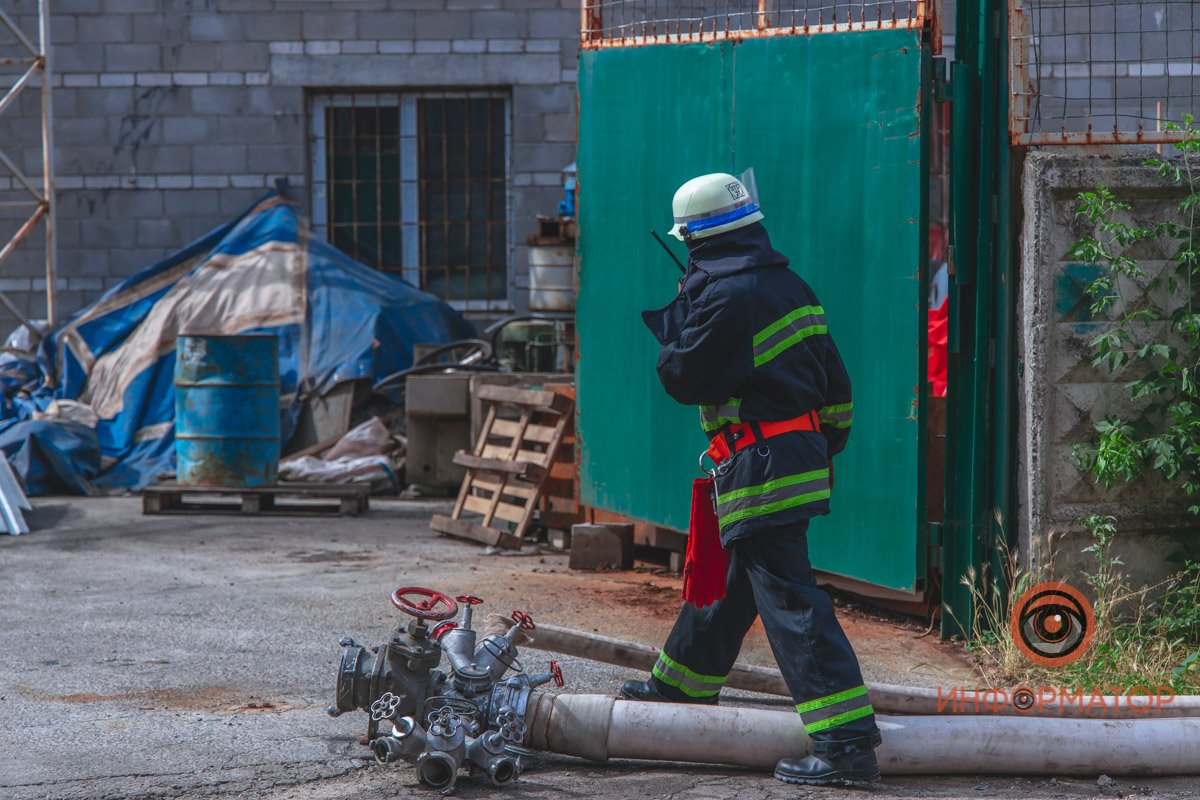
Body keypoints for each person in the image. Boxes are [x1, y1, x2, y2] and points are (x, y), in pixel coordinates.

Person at [621, 172, 882, 786]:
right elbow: (837, 389)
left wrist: (681, 317)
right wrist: (817, 446)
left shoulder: (727, 294)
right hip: (792, 457)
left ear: (696, 239)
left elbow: (683, 379)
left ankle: (845, 745)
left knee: (790, 600)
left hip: (760, 464)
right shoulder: (792, 286)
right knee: (732, 581)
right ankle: (681, 689)